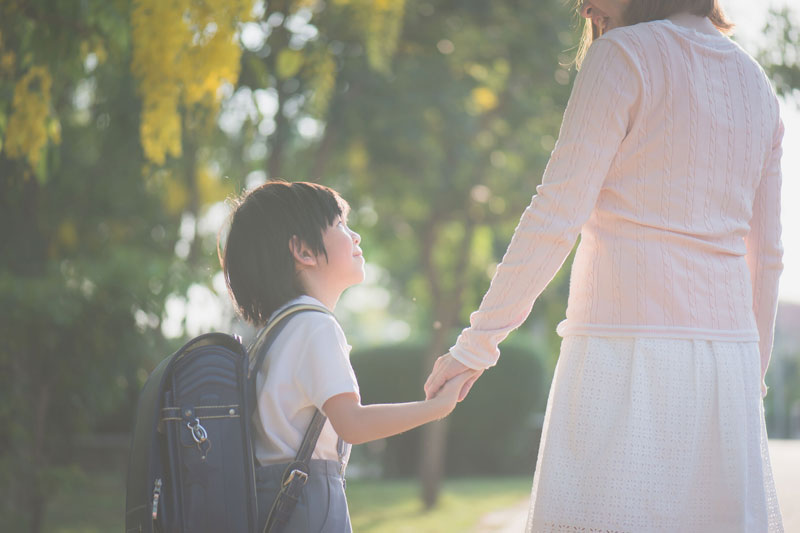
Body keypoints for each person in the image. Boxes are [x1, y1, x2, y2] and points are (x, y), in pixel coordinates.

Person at [424, 0, 785, 531]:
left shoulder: (623, 56)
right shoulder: (759, 88)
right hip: (727, 367)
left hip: (623, 354)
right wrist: (749, 381)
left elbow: (556, 213)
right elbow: (769, 256)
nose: (586, 7)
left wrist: (476, 344)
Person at [220, 180, 476, 532]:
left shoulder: (273, 333)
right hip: (308, 506)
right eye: (340, 225)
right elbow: (352, 424)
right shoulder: (315, 326)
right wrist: (436, 408)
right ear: (304, 251)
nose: (355, 237)